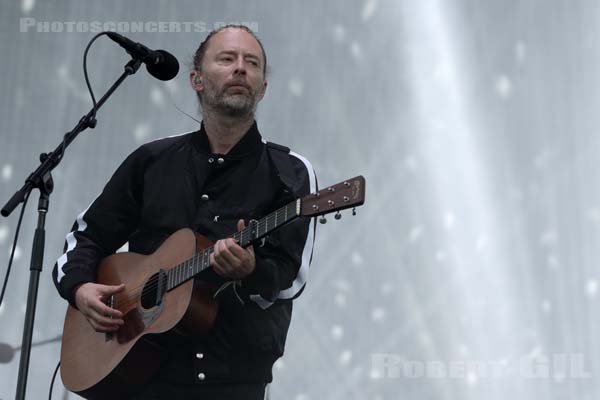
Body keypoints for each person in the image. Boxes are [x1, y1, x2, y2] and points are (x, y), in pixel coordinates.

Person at [52, 25, 317, 400]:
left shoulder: (291, 172)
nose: (240, 68)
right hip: (134, 373)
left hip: (230, 381)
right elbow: (87, 236)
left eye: (252, 63)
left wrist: (251, 272)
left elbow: (292, 279)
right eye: (227, 59)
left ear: (263, 87)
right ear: (196, 79)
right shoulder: (151, 161)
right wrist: (79, 289)